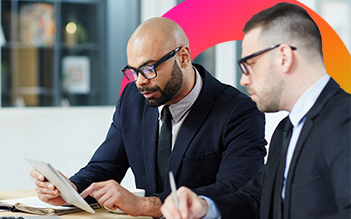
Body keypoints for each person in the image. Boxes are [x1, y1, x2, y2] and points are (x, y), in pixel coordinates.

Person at [30, 17, 266, 218]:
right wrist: (70, 188)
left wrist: (145, 205)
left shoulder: (238, 110)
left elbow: (239, 191)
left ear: (183, 57)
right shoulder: (133, 99)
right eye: (133, 71)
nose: (140, 81)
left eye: (149, 68)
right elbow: (105, 166)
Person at [160, 2, 351, 219]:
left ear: (283, 57)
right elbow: (256, 198)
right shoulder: (286, 130)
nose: (243, 79)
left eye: (248, 64)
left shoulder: (345, 121)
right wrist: (205, 207)